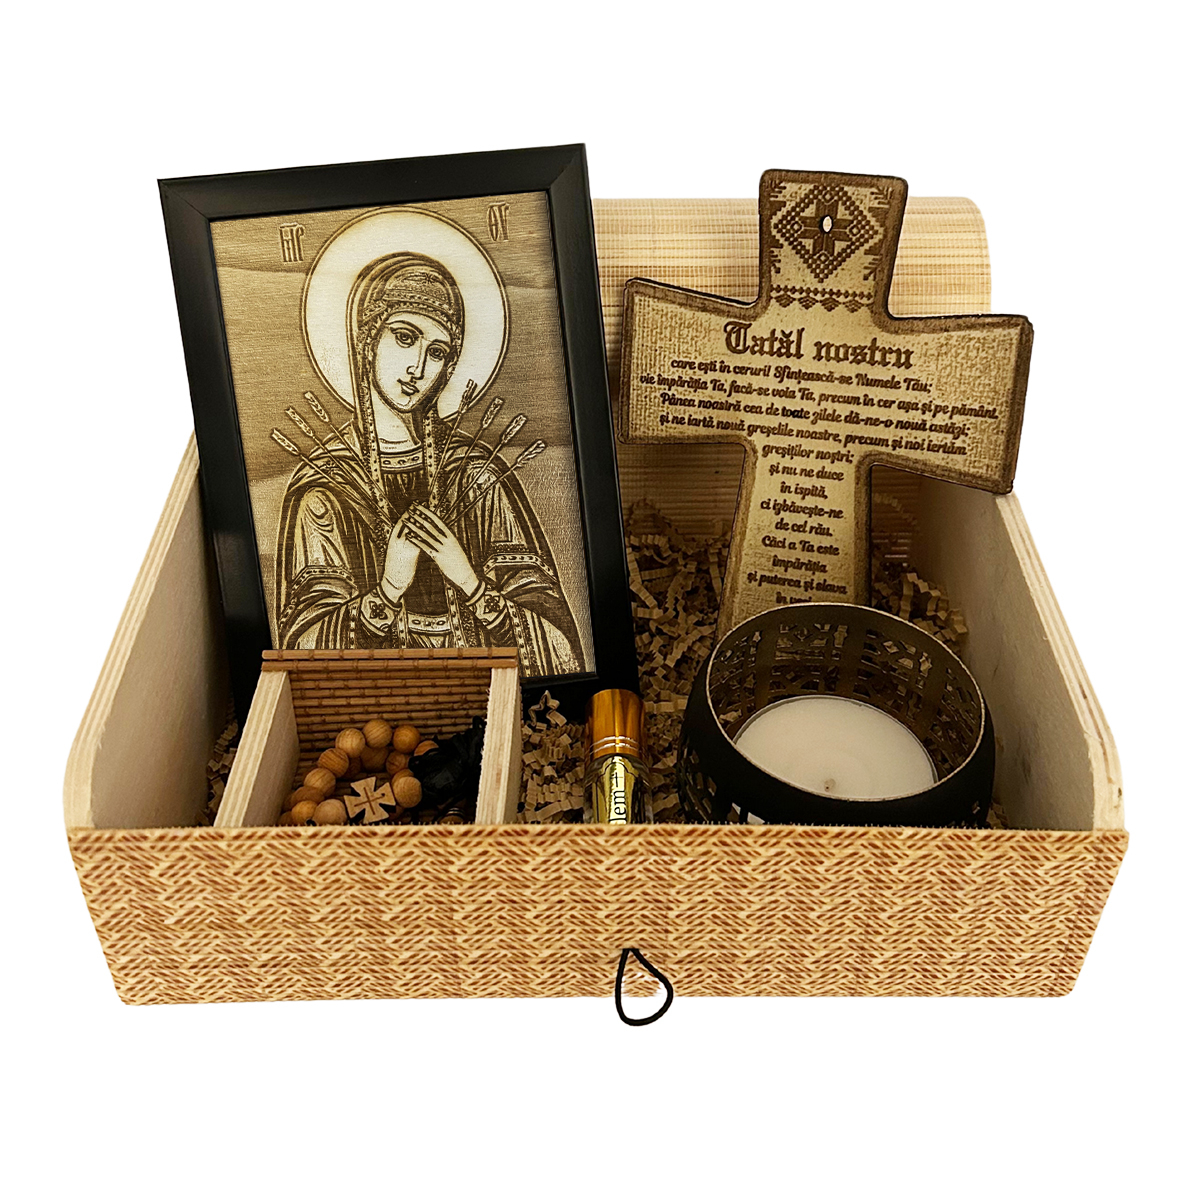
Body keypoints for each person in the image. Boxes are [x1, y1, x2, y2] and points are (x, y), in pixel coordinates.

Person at [275, 251, 583, 676]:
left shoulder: (474, 476)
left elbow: (559, 646)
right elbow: (303, 652)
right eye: (404, 337)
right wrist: (388, 590)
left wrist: (469, 582)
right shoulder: (326, 489)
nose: (418, 368)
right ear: (367, 341)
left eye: (436, 351)